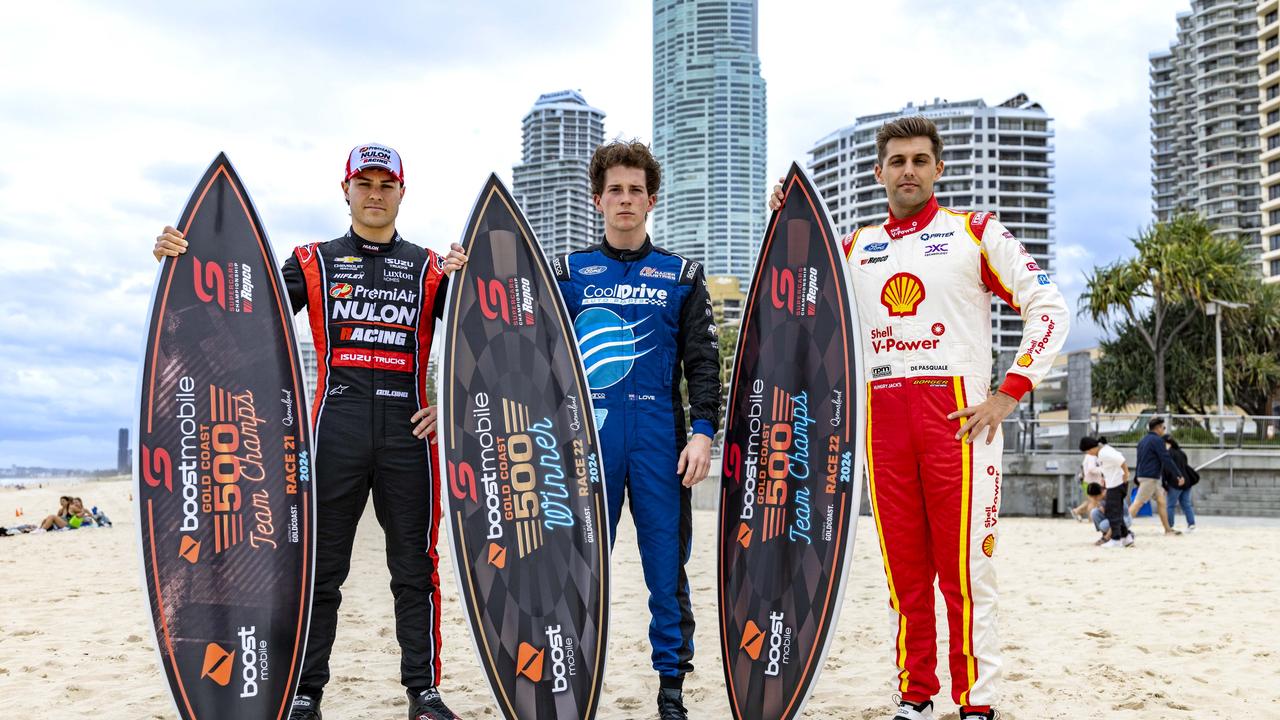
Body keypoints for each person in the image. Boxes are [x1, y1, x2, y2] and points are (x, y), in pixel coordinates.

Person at [153, 143, 467, 720]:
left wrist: (449, 407)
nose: (375, 194)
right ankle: (305, 692)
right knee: (320, 569)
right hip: (334, 430)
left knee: (415, 569)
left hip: (408, 433)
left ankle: (422, 693)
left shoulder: (428, 268)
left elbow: (486, 339)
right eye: (365, 183)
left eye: (386, 184)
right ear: (344, 190)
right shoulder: (314, 261)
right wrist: (181, 258)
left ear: (403, 192)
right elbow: (243, 304)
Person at [771, 116, 1068, 720]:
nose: (908, 170)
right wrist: (786, 222)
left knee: (965, 572)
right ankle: (916, 694)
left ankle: (976, 702)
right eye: (897, 161)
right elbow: (797, 297)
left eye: (919, 160)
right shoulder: (853, 247)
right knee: (905, 574)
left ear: (939, 168)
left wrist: (1009, 392)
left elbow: (1049, 307)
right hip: (879, 422)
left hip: (958, 419)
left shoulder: (974, 232)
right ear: (878, 172)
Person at [541, 140, 718, 719]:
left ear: (651, 201)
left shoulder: (682, 275)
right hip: (585, 438)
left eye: (635, 190)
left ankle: (671, 693)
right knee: (573, 567)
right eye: (614, 189)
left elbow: (704, 363)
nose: (624, 199)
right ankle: (566, 678)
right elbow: (524, 347)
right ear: (597, 200)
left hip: (659, 441)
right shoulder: (564, 274)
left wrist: (702, 432)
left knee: (665, 571)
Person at [1132, 417, 1183, 536]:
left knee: (1161, 502)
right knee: (1137, 503)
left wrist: (1136, 475)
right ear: (1158, 428)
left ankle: (1168, 529)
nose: (1164, 430)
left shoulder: (1143, 440)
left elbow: (1139, 459)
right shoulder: (1157, 441)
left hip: (1147, 476)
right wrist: (1178, 474)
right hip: (1150, 477)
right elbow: (1166, 458)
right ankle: (1121, 529)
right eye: (1163, 428)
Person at [1080, 436, 1133, 548]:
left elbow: (1121, 459)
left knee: (1113, 513)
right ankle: (1126, 538)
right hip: (1114, 483)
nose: (1089, 454)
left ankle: (1116, 539)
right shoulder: (1103, 451)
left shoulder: (1104, 452)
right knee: (1116, 512)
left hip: (1116, 484)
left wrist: (1126, 473)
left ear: (1090, 449)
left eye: (1087, 451)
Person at [1163, 436, 1198, 532]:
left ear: (1167, 443)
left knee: (1170, 505)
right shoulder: (1181, 452)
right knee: (1186, 504)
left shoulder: (1168, 454)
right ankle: (1191, 524)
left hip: (1175, 482)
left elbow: (1166, 470)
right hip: (1187, 481)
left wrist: (1164, 485)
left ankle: (1170, 526)